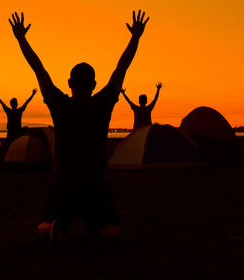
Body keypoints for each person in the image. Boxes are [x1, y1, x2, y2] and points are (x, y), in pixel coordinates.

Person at [8, 10, 149, 245]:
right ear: (94, 84)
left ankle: (55, 229)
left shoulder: (60, 104)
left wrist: (21, 39)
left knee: (43, 226)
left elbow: (39, 69)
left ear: (70, 83)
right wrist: (135, 37)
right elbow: (120, 68)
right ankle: (98, 231)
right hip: (95, 183)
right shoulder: (102, 104)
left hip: (64, 183)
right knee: (114, 228)